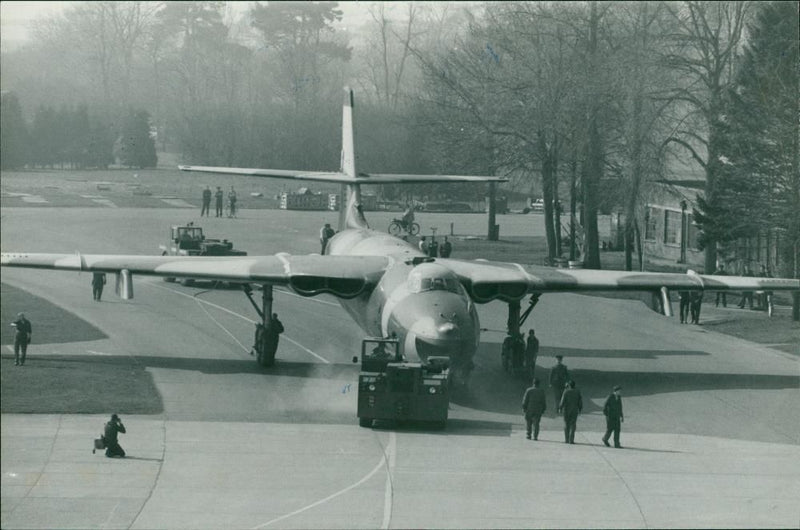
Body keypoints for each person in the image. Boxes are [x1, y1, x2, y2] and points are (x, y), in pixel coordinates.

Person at [558, 380, 583, 444]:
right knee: (573, 424)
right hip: (574, 410)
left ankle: (566, 439)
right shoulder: (577, 392)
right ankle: (571, 440)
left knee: (566, 424)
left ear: (569, 385)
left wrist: (560, 408)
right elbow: (580, 401)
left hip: (566, 410)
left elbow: (562, 400)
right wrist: (580, 408)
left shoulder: (566, 391)